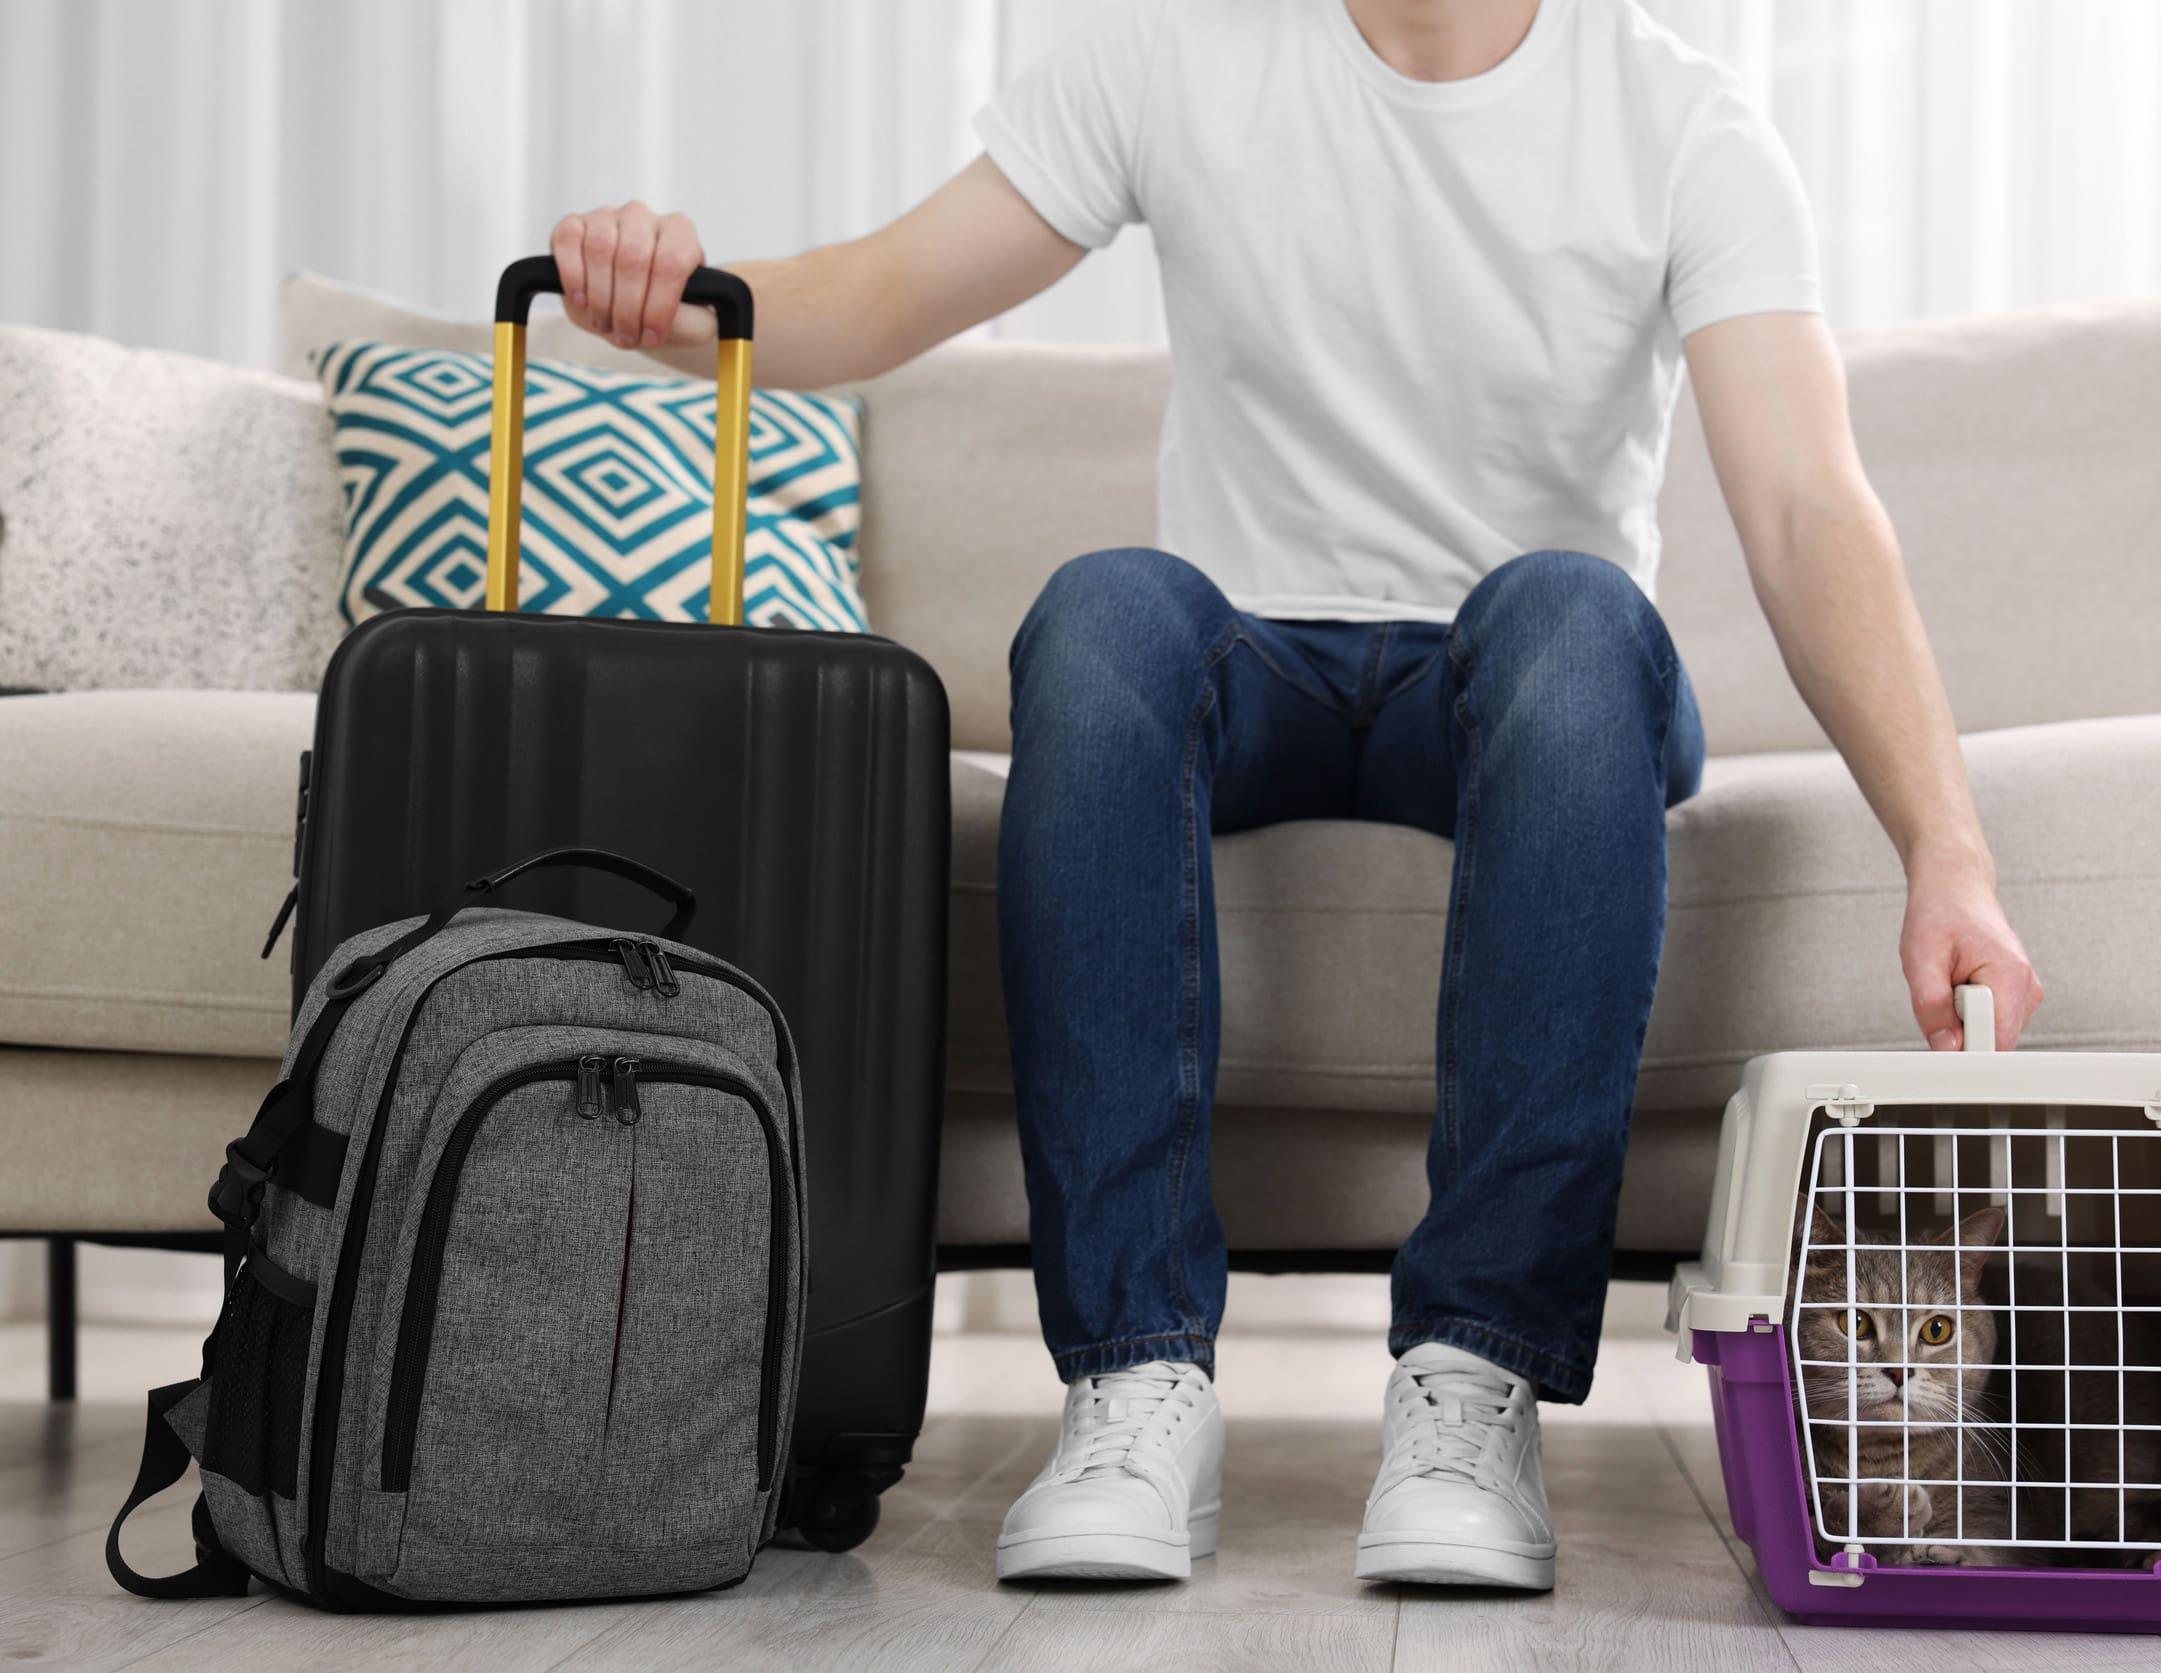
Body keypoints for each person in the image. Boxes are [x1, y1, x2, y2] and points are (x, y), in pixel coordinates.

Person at [551, 0, 2042, 1594]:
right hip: (1252, 656)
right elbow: (876, 288)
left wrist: (1944, 847)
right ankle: (1135, 1379)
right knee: (1111, 603)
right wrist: (671, 298)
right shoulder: (1180, 58)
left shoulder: (1683, 121)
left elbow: (1811, 508)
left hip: (1532, 687)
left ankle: (1473, 1380)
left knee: (1576, 606)